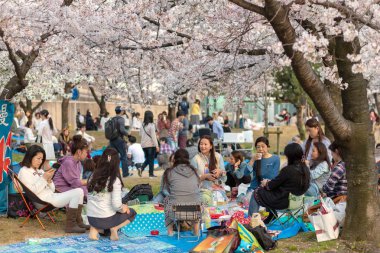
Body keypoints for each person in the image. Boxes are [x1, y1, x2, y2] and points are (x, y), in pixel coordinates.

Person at [18, 145, 87, 233]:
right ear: (30, 157)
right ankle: (71, 225)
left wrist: (49, 181)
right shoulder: (24, 171)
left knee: (79, 191)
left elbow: (52, 189)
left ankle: (78, 222)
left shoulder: (39, 171)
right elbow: (32, 191)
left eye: (42, 159)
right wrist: (43, 179)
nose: (40, 161)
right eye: (38, 158)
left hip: (51, 196)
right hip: (41, 201)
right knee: (77, 192)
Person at [87, 148, 137, 241]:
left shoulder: (92, 175)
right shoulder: (114, 180)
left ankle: (93, 231)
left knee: (102, 210)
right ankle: (114, 228)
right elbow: (116, 205)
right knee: (132, 212)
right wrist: (124, 208)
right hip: (105, 219)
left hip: (90, 218)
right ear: (116, 163)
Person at [248, 143, 310, 216]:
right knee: (267, 192)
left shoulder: (288, 170)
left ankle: (252, 220)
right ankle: (271, 217)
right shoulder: (305, 169)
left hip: (284, 202)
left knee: (257, 192)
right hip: (297, 202)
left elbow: (271, 186)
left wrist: (266, 183)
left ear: (290, 156)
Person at [163, 149, 201, 236]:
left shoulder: (169, 172)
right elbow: (197, 188)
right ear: (188, 159)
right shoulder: (195, 171)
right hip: (195, 211)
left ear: (174, 159)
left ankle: (170, 231)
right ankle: (196, 231)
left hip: (176, 211)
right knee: (197, 198)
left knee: (167, 200)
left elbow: (166, 190)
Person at [191, 135, 226, 206]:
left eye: (205, 144)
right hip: (201, 191)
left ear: (211, 146)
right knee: (207, 200)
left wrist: (220, 172)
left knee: (220, 204)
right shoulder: (195, 159)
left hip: (217, 189)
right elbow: (191, 180)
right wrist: (204, 177)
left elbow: (225, 178)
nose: (203, 146)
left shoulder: (218, 157)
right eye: (201, 144)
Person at [109, 106, 131, 177]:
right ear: (121, 111)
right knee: (123, 156)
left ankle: (113, 173)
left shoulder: (112, 119)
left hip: (112, 140)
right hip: (119, 140)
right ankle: (125, 173)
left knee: (113, 157)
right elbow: (122, 130)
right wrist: (128, 133)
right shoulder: (121, 119)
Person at [139, 110, 160, 178]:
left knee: (148, 158)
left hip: (143, 145)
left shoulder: (142, 125)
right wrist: (157, 146)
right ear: (151, 116)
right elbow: (154, 137)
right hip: (151, 145)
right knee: (151, 159)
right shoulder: (152, 125)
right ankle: (151, 173)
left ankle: (141, 168)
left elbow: (140, 134)